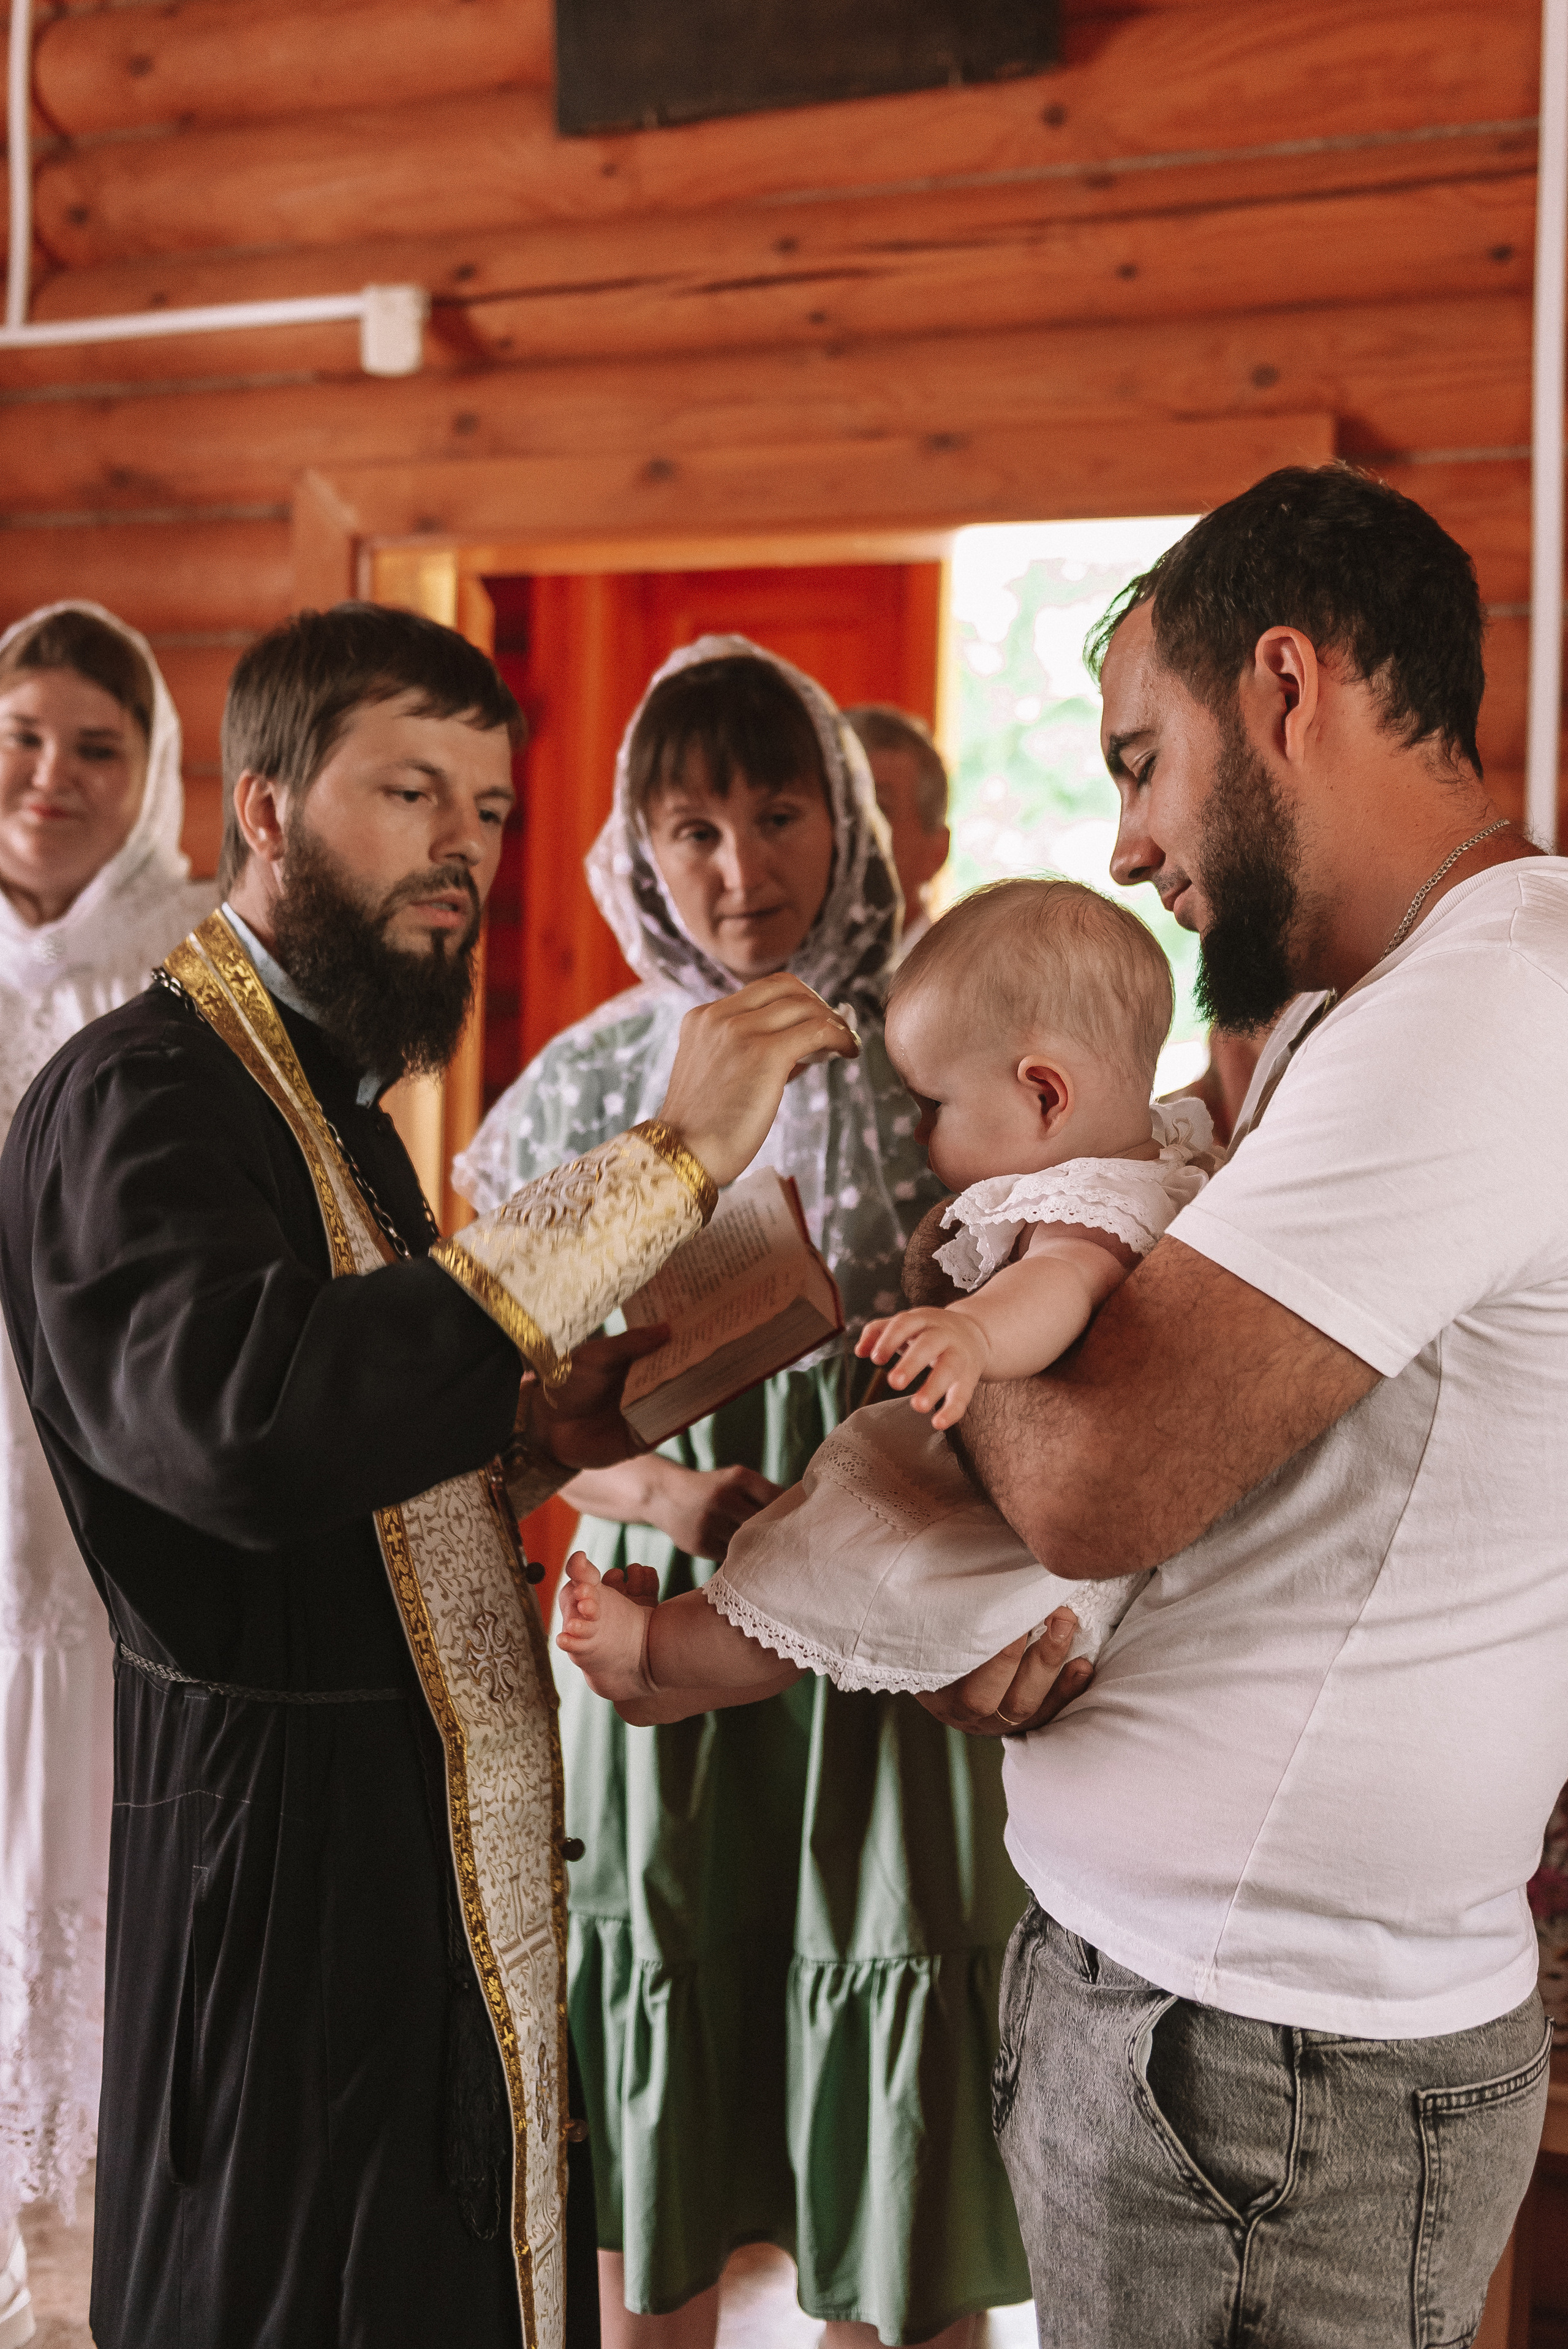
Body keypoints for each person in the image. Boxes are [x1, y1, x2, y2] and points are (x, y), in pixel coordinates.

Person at [0, 602, 858, 2349]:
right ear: (262, 810)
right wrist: (669, 1157)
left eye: (487, 806)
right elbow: (239, 1433)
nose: (462, 845)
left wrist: (539, 1431)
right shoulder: (145, 1096)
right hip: (282, 1865)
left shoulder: (321, 1100)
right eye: (410, 792)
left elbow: (349, 1439)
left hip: (396, 1844)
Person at [901, 465, 1566, 2347]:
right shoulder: (1362, 1013)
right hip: (1213, 2040)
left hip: (1276, 2079)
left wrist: (948, 1297)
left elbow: (1096, 1473)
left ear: (1285, 689)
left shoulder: (1488, 1010)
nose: (1124, 844)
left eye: (1141, 760)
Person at [456, 640, 1031, 2349]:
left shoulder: (931, 1062)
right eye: (692, 828)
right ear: (640, 842)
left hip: (888, 1616)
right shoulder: (578, 1084)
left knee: (889, 2048)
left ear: (843, 819)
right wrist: (689, 1501)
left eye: (778, 815)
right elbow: (511, 1408)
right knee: (670, 2039)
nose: (741, 869)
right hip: (668, 1624)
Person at [556, 878, 1219, 1709]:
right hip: (1024, 1510)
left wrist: (973, 1334)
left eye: (929, 1104)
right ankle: (673, 1670)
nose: (912, 1132)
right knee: (827, 1563)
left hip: (1011, 1535)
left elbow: (1060, 1283)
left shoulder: (1094, 1207)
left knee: (838, 1553)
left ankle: (658, 1660)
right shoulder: (1163, 1157)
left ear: (1044, 1093)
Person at [0, 602, 214, 2349]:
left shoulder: (195, 964)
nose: (48, 777)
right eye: (20, 733)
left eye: (95, 746)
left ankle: (99, 2244)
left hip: (109, 1472)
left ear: (151, 780)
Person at [843, 705, 951, 953]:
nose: (848, 832)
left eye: (878, 811)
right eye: (836, 808)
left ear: (936, 852)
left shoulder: (970, 984)